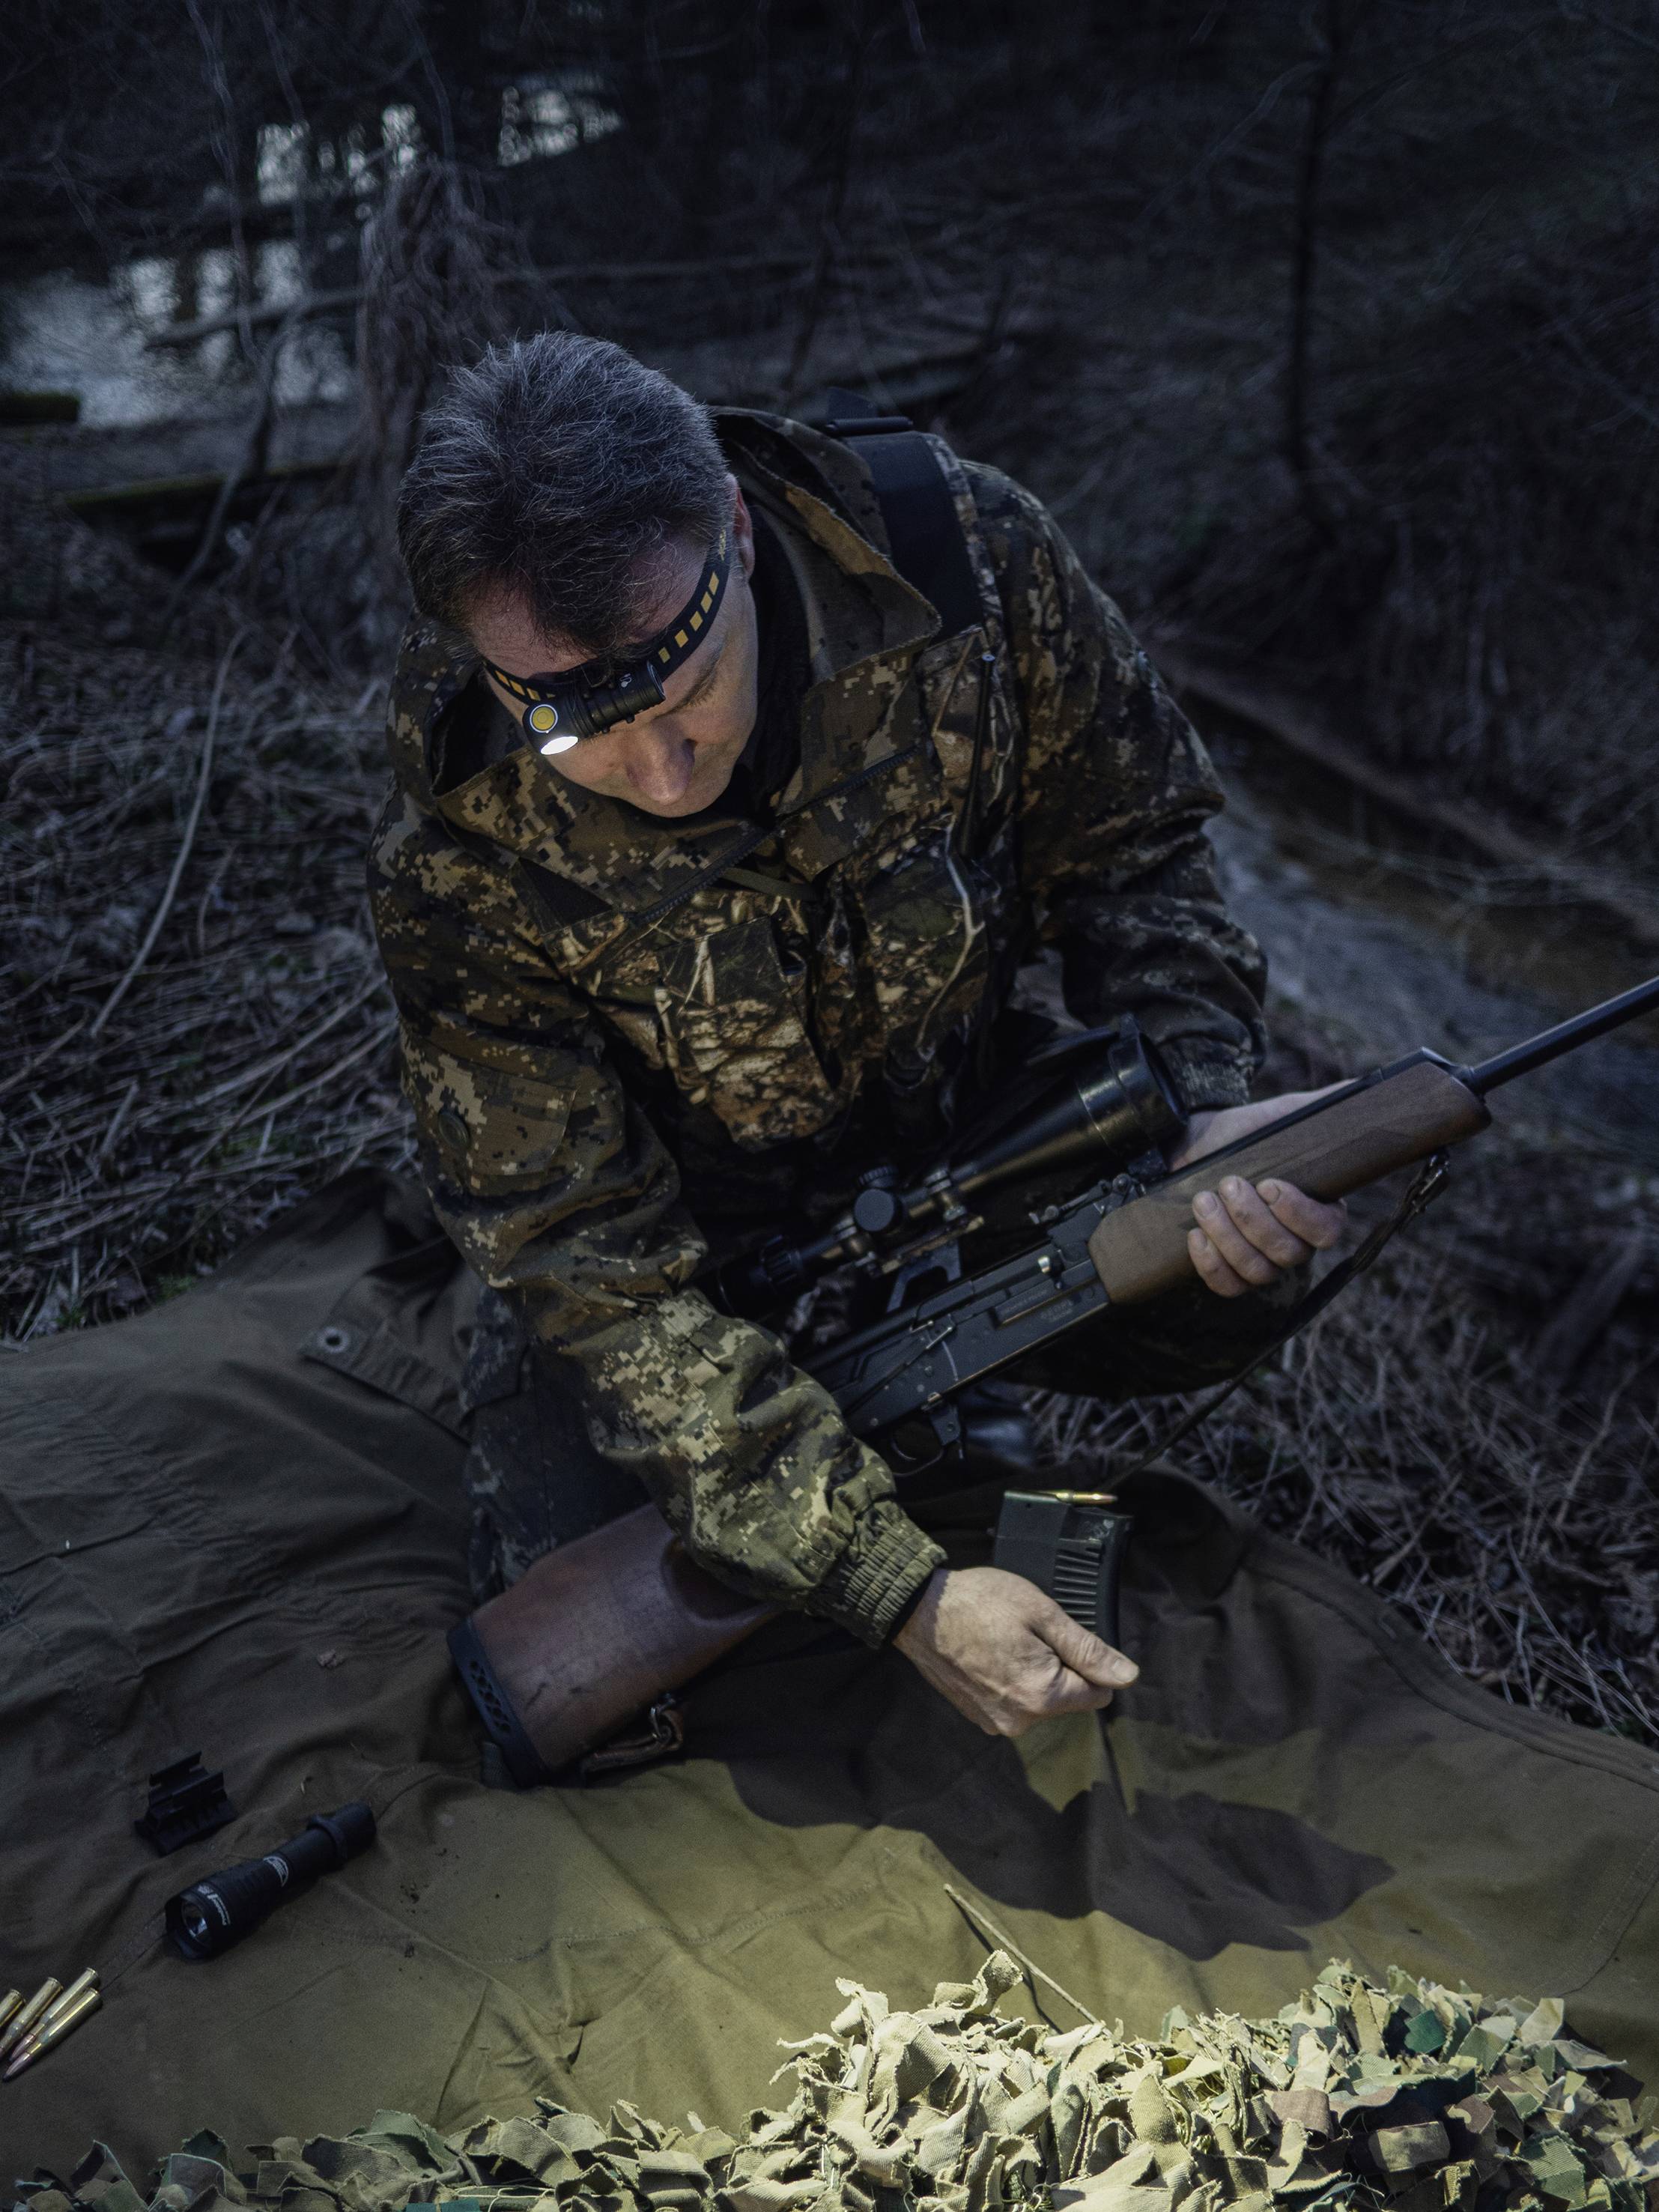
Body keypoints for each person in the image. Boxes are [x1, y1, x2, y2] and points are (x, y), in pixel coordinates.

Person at [370, 331, 1344, 1746]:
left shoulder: (963, 561)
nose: (661, 769)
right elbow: (584, 1261)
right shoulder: (457, 835)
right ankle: (876, 1448)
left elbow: (1138, 851)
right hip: (687, 1261)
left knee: (1233, 1276)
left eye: (682, 678)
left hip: (974, 1150)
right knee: (590, 1659)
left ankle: (939, 1387)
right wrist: (898, 1588)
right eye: (575, 727)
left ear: (737, 528)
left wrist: (1200, 1105)